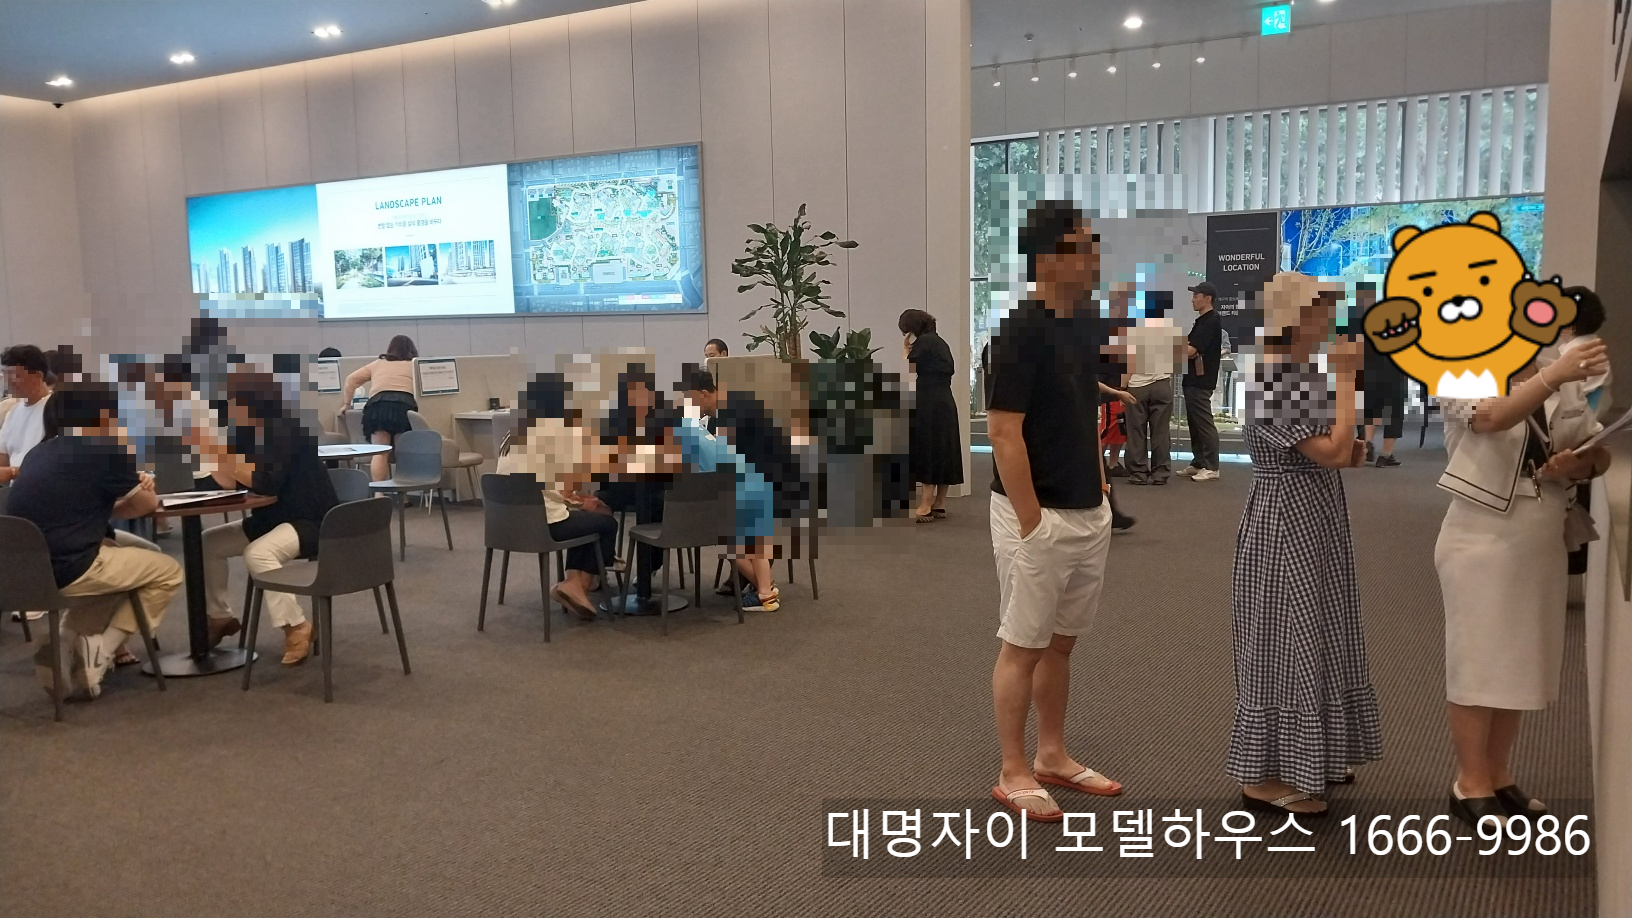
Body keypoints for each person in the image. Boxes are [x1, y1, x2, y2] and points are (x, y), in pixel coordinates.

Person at [1433, 330, 1609, 829]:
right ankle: (1470, 781)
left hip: (1541, 533)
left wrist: (1581, 463)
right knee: (1479, 658)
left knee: (1521, 658)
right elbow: (1491, 417)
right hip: (1481, 537)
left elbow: (1598, 449)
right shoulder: (1460, 365)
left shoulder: (1558, 371)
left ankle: (1497, 773)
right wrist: (1554, 376)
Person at [985, 201, 1124, 823]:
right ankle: (1012, 769)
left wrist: (1100, 487)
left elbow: (1079, 409)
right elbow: (1004, 432)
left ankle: (1051, 755)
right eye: (1082, 248)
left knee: (1061, 645)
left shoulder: (1081, 323)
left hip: (1088, 510)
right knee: (1023, 645)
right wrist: (1031, 521)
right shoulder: (1018, 331)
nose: (1093, 259)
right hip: (1036, 516)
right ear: (1048, 259)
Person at [1229, 273, 1380, 818]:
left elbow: (1337, 448)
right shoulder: (1270, 376)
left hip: (1314, 511)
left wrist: (1346, 436)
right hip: (1284, 521)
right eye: (1322, 310)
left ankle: (1313, 756)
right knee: (1282, 637)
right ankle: (1264, 777)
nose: (1331, 322)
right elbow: (1333, 451)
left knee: (1321, 628)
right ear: (1295, 317)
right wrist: (1348, 380)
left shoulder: (1299, 371)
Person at [6, 381, 183, 700]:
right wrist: (141, 484)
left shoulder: (37, 453)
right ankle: (101, 649)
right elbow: (147, 506)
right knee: (167, 571)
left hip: (27, 572)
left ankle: (65, 641)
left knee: (130, 563)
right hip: (73, 565)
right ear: (102, 415)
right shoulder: (105, 450)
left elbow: (78, 506)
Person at [202, 373, 339, 665]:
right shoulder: (244, 433)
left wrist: (218, 452)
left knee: (258, 553)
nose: (227, 409)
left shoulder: (285, 431)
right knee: (210, 543)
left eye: (231, 403)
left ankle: (296, 626)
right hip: (272, 519)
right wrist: (212, 453)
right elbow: (230, 482)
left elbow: (266, 483)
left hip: (310, 521)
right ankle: (219, 616)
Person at [495, 374, 620, 619]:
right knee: (605, 521)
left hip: (507, 524)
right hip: (542, 522)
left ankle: (575, 583)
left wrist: (575, 499)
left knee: (585, 517)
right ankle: (580, 584)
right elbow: (568, 488)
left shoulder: (513, 434)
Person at [899, 309, 964, 522]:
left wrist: (905, 351)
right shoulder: (940, 342)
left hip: (928, 401)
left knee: (928, 448)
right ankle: (939, 503)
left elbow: (907, 373)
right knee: (944, 448)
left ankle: (925, 505)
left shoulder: (923, 343)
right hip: (945, 400)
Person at [1121, 292, 1186, 485]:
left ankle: (1139, 473)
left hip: (1138, 386)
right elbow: (1177, 362)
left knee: (1136, 431)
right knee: (1161, 432)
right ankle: (1160, 473)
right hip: (1162, 384)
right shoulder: (1173, 330)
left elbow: (1129, 363)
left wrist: (1122, 387)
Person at [340, 335, 419, 481]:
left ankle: (379, 491)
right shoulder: (413, 365)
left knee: (380, 452)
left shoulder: (378, 364)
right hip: (403, 406)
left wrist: (347, 403)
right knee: (402, 451)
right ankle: (403, 490)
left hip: (377, 406)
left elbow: (351, 379)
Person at [1355, 284, 1408, 468]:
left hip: (1371, 371)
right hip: (1394, 372)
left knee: (1372, 410)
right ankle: (1386, 455)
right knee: (1394, 413)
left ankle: (1367, 445)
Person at [1179, 281, 1223, 481]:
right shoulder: (1202, 321)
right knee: (1195, 423)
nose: (1192, 300)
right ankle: (1199, 462)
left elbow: (1191, 350)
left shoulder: (1210, 321)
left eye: (1196, 296)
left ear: (1208, 298)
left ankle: (1212, 466)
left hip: (1201, 380)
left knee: (1204, 424)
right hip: (1193, 379)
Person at [0, 344, 52, 483]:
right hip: (17, 489)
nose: (8, 382)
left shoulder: (55, 409)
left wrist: (13, 472)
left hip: (42, 487)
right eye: (5, 375)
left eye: (14, 376)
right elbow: (2, 461)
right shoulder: (13, 413)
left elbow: (55, 464)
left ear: (38, 376)